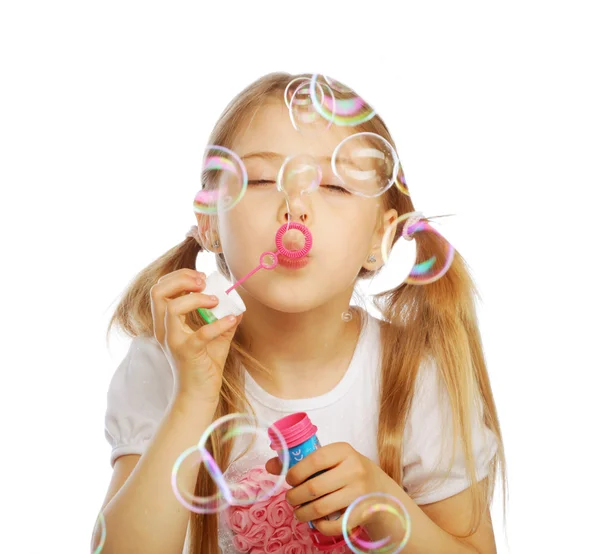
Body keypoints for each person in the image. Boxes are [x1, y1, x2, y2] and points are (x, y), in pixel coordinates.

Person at [93, 72, 506, 554]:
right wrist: (192, 395)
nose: (296, 207)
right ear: (210, 223)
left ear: (381, 236)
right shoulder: (168, 360)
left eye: (334, 185)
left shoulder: (417, 373)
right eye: (264, 179)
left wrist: (383, 504)